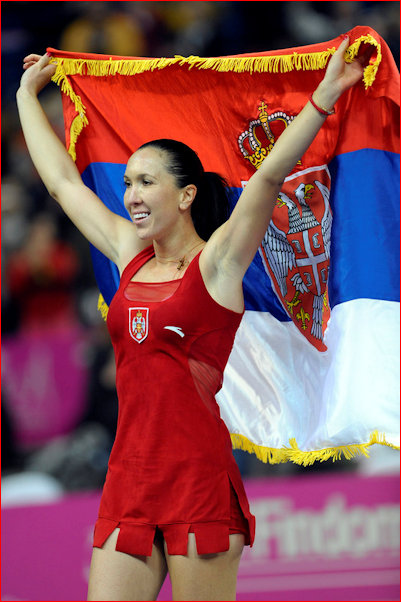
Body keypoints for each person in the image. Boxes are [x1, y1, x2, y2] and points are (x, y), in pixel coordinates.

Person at [17, 38, 365, 601]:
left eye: (145, 182)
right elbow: (62, 184)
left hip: (198, 480)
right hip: (129, 477)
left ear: (186, 195)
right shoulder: (128, 252)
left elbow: (269, 178)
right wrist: (27, 97)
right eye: (127, 182)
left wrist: (324, 97)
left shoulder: (220, 263)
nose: (129, 194)